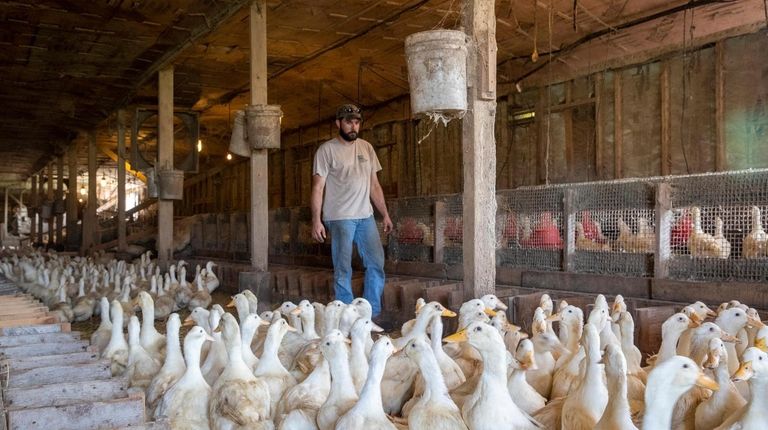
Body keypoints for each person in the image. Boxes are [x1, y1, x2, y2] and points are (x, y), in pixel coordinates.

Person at [311, 103, 393, 318]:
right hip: (340, 217)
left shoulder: (366, 148)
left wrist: (384, 213)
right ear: (339, 123)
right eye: (348, 122)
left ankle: (370, 315)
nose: (353, 126)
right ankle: (345, 315)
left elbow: (374, 185)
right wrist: (316, 220)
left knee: (376, 263)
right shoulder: (326, 150)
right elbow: (318, 187)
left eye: (356, 122)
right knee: (343, 267)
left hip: (365, 216)